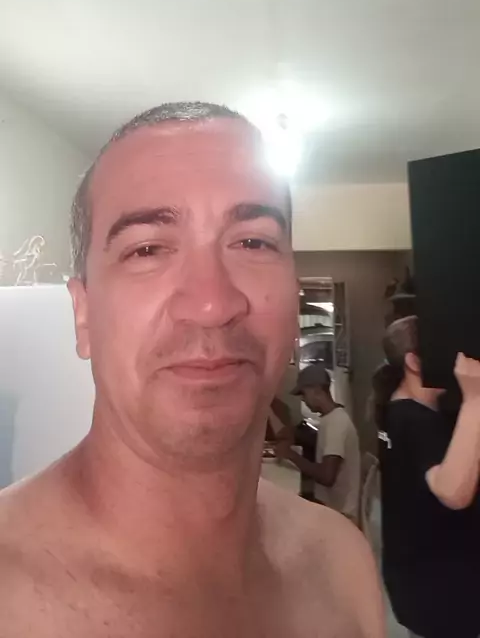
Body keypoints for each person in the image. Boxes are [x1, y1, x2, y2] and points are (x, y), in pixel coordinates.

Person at [0, 102, 384, 637]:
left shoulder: (341, 562)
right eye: (147, 249)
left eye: (252, 242)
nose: (211, 304)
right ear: (83, 315)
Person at [372, 315, 480, 638]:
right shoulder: (415, 420)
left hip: (419, 581)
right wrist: (475, 400)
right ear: (415, 362)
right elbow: (452, 492)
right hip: (440, 591)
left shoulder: (398, 409)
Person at [275, 362, 361, 522]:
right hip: (330, 505)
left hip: (341, 515)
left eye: (304, 394)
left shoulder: (337, 423)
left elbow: (327, 477)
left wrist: (291, 455)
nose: (303, 400)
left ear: (316, 390)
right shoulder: (331, 418)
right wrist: (294, 432)